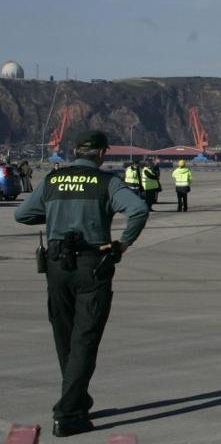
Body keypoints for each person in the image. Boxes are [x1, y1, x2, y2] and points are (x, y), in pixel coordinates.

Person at [14, 130, 148, 438]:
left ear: (75, 152)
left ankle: (78, 399)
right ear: (101, 153)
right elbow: (138, 210)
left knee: (65, 336)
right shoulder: (107, 181)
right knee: (85, 338)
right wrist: (123, 243)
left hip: (56, 266)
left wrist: (54, 213)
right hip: (92, 265)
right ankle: (68, 413)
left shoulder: (52, 180)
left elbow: (23, 215)